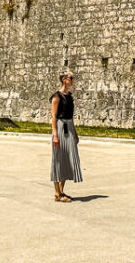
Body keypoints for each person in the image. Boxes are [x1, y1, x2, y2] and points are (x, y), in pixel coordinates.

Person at [50, 72, 82, 202]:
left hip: (69, 127)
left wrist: (75, 133)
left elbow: (71, 117)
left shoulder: (69, 97)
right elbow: (53, 117)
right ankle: (57, 193)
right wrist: (55, 135)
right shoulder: (57, 97)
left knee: (68, 160)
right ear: (64, 80)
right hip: (60, 127)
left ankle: (61, 192)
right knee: (58, 160)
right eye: (71, 78)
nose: (73, 80)